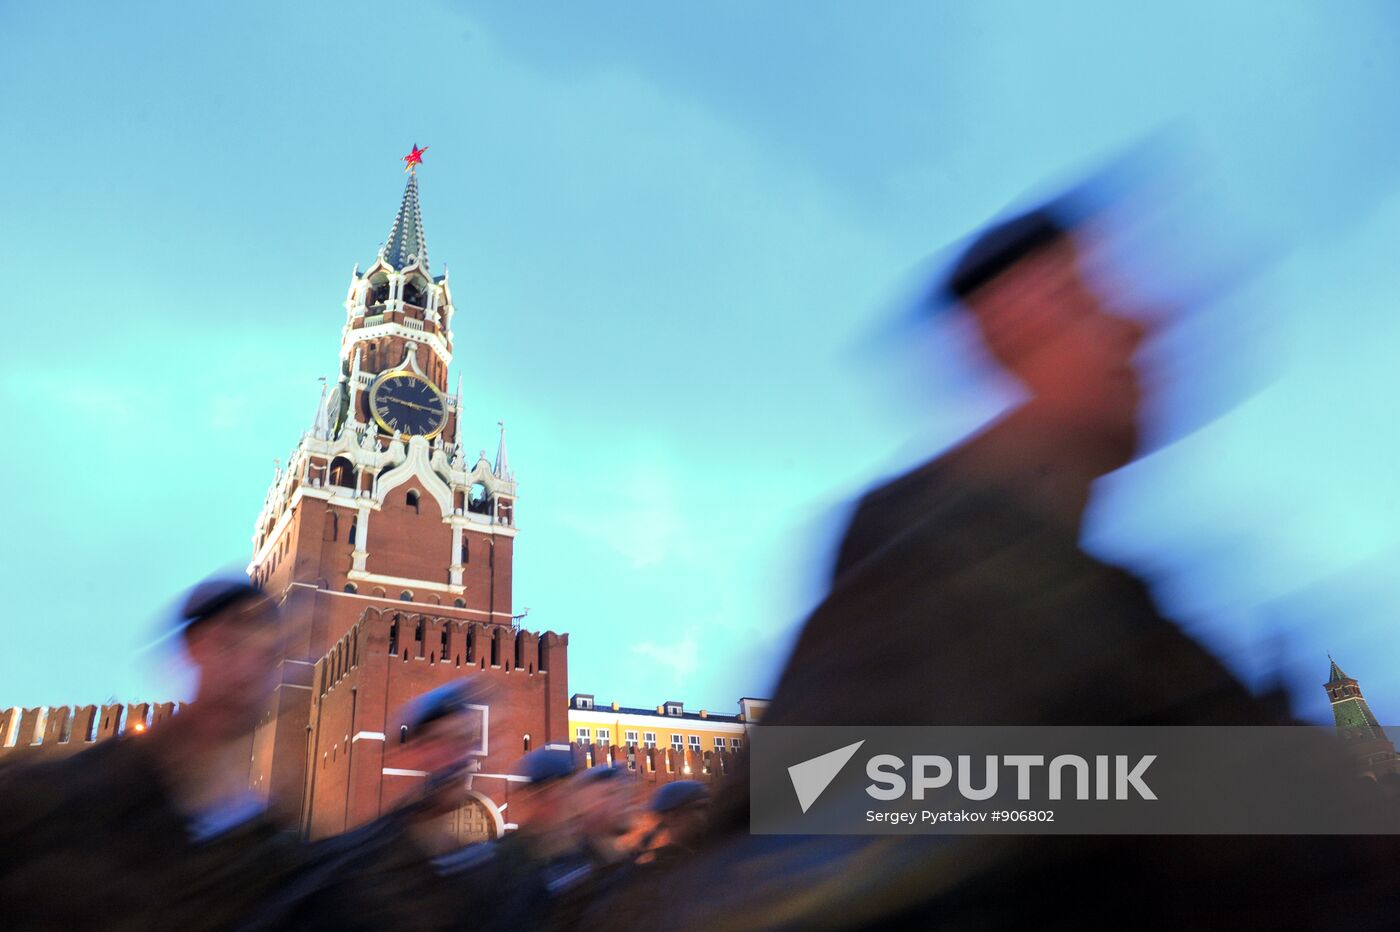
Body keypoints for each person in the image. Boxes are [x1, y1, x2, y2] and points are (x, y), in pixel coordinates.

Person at [583, 196, 1400, 929]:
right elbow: (817, 836)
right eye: (1094, 295)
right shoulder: (936, 569)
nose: (1143, 325)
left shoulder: (1107, 594)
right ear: (1014, 319)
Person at [0, 577, 305, 931]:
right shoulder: (50, 798)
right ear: (192, 648)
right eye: (229, 644)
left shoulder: (269, 861)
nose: (246, 672)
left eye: (267, 657)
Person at [247, 678, 493, 931]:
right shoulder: (353, 864)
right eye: (439, 742)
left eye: (463, 742)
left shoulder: (491, 873)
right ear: (412, 752)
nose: (454, 758)